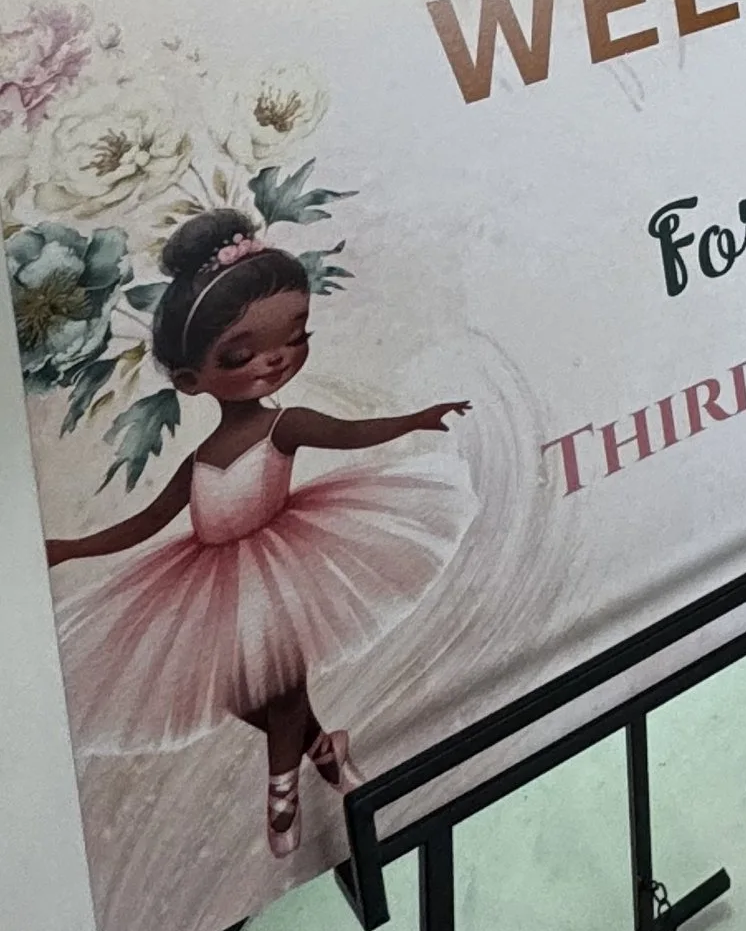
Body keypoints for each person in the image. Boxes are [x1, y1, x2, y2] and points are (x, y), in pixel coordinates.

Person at [46, 213, 473, 859]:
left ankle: (282, 794)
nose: (273, 360)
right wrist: (72, 547)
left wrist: (417, 416)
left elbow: (349, 434)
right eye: (239, 355)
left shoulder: (287, 423)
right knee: (242, 693)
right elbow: (148, 521)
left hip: (288, 563)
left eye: (293, 338)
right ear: (192, 379)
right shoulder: (197, 463)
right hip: (207, 585)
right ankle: (325, 750)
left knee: (277, 691)